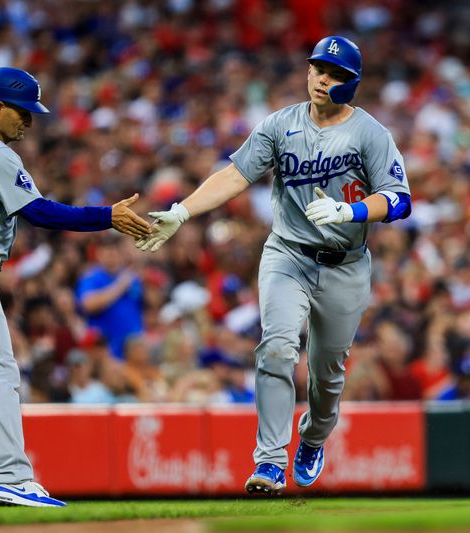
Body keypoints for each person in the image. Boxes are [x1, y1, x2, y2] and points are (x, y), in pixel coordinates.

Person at [136, 36, 412, 495]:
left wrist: (353, 212)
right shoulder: (279, 126)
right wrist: (183, 211)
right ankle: (268, 462)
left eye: (337, 74)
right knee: (278, 347)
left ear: (353, 84)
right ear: (307, 71)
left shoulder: (370, 133)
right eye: (319, 69)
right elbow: (234, 174)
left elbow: (400, 200)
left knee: (327, 376)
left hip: (345, 264)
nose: (324, 79)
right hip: (287, 254)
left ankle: (314, 437)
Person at [0, 67, 152, 508]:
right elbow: (40, 213)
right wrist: (107, 217)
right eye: (23, 113)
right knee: (2, 374)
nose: (29, 121)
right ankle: (11, 475)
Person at [76, 234, 144, 360]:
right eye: (107, 251)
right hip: (106, 348)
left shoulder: (132, 276)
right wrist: (119, 286)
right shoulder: (91, 278)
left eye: (115, 251)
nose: (112, 255)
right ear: (99, 254)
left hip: (133, 346)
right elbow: (88, 304)